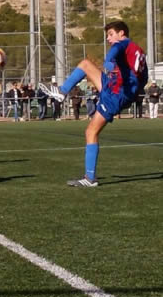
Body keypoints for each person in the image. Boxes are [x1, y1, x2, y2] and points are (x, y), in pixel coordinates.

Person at [41, 20, 148, 187]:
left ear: (121, 33)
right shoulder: (138, 51)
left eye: (110, 34)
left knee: (91, 131)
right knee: (85, 64)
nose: (108, 38)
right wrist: (132, 93)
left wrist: (109, 61)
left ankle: (90, 178)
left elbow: (114, 52)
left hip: (115, 95)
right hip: (114, 88)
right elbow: (144, 78)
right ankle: (62, 92)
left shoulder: (122, 44)